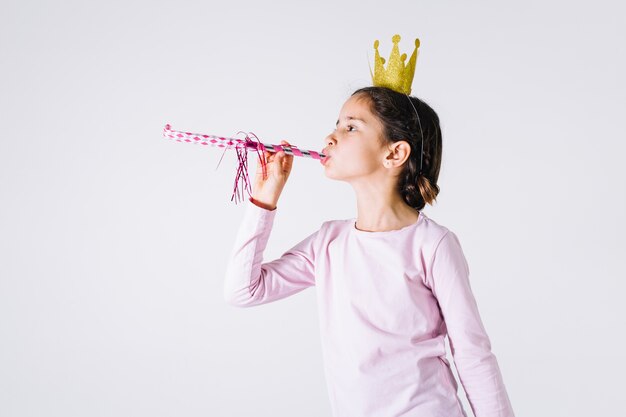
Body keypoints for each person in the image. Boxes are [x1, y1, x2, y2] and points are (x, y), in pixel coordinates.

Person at [223, 86, 515, 417]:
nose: (330, 137)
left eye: (351, 127)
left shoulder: (433, 245)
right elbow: (244, 291)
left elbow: (472, 353)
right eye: (336, 124)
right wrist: (264, 198)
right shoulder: (329, 243)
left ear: (394, 154)